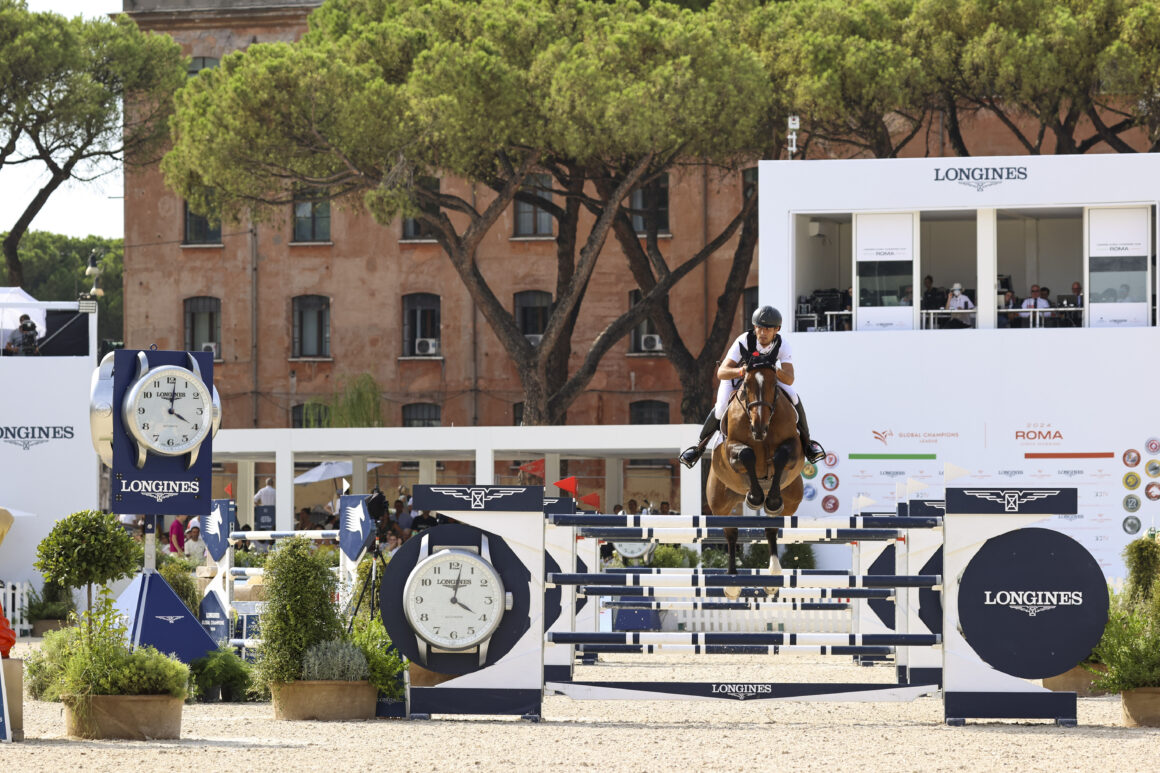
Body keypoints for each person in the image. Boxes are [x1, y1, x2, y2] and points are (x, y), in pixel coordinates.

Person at [680, 305, 826, 468]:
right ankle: (699, 447)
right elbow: (722, 372)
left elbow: (790, 378)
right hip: (739, 379)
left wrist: (774, 370)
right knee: (721, 407)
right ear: (754, 327)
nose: (763, 333)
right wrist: (741, 371)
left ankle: (808, 444)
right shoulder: (743, 340)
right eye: (759, 328)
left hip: (767, 379)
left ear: (777, 329)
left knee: (793, 396)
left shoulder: (783, 345)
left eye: (768, 329)